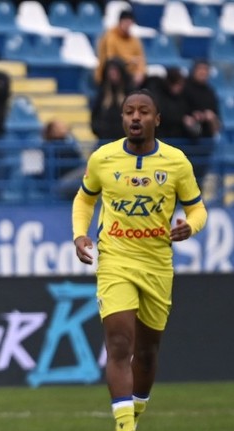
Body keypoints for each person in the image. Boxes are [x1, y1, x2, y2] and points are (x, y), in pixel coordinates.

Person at [72, 89, 207, 431]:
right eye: (129, 111)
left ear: (156, 119)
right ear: (122, 119)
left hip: (157, 264)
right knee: (119, 343)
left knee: (146, 354)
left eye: (143, 111)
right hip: (116, 259)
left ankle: (134, 414)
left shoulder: (176, 162)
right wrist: (79, 233)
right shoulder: (103, 158)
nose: (135, 117)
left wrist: (190, 227)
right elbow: (84, 199)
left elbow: (198, 208)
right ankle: (125, 427)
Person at [95, 10, 146, 88]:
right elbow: (111, 60)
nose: (127, 26)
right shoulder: (110, 37)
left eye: (129, 23)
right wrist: (130, 60)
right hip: (111, 74)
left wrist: (140, 73)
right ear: (120, 22)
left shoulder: (134, 40)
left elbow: (141, 59)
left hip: (130, 75)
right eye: (125, 22)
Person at [91, 58, 134, 142]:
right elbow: (95, 116)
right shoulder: (102, 93)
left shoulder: (131, 93)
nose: (112, 74)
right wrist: (99, 130)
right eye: (110, 71)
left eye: (115, 71)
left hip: (127, 141)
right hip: (105, 140)